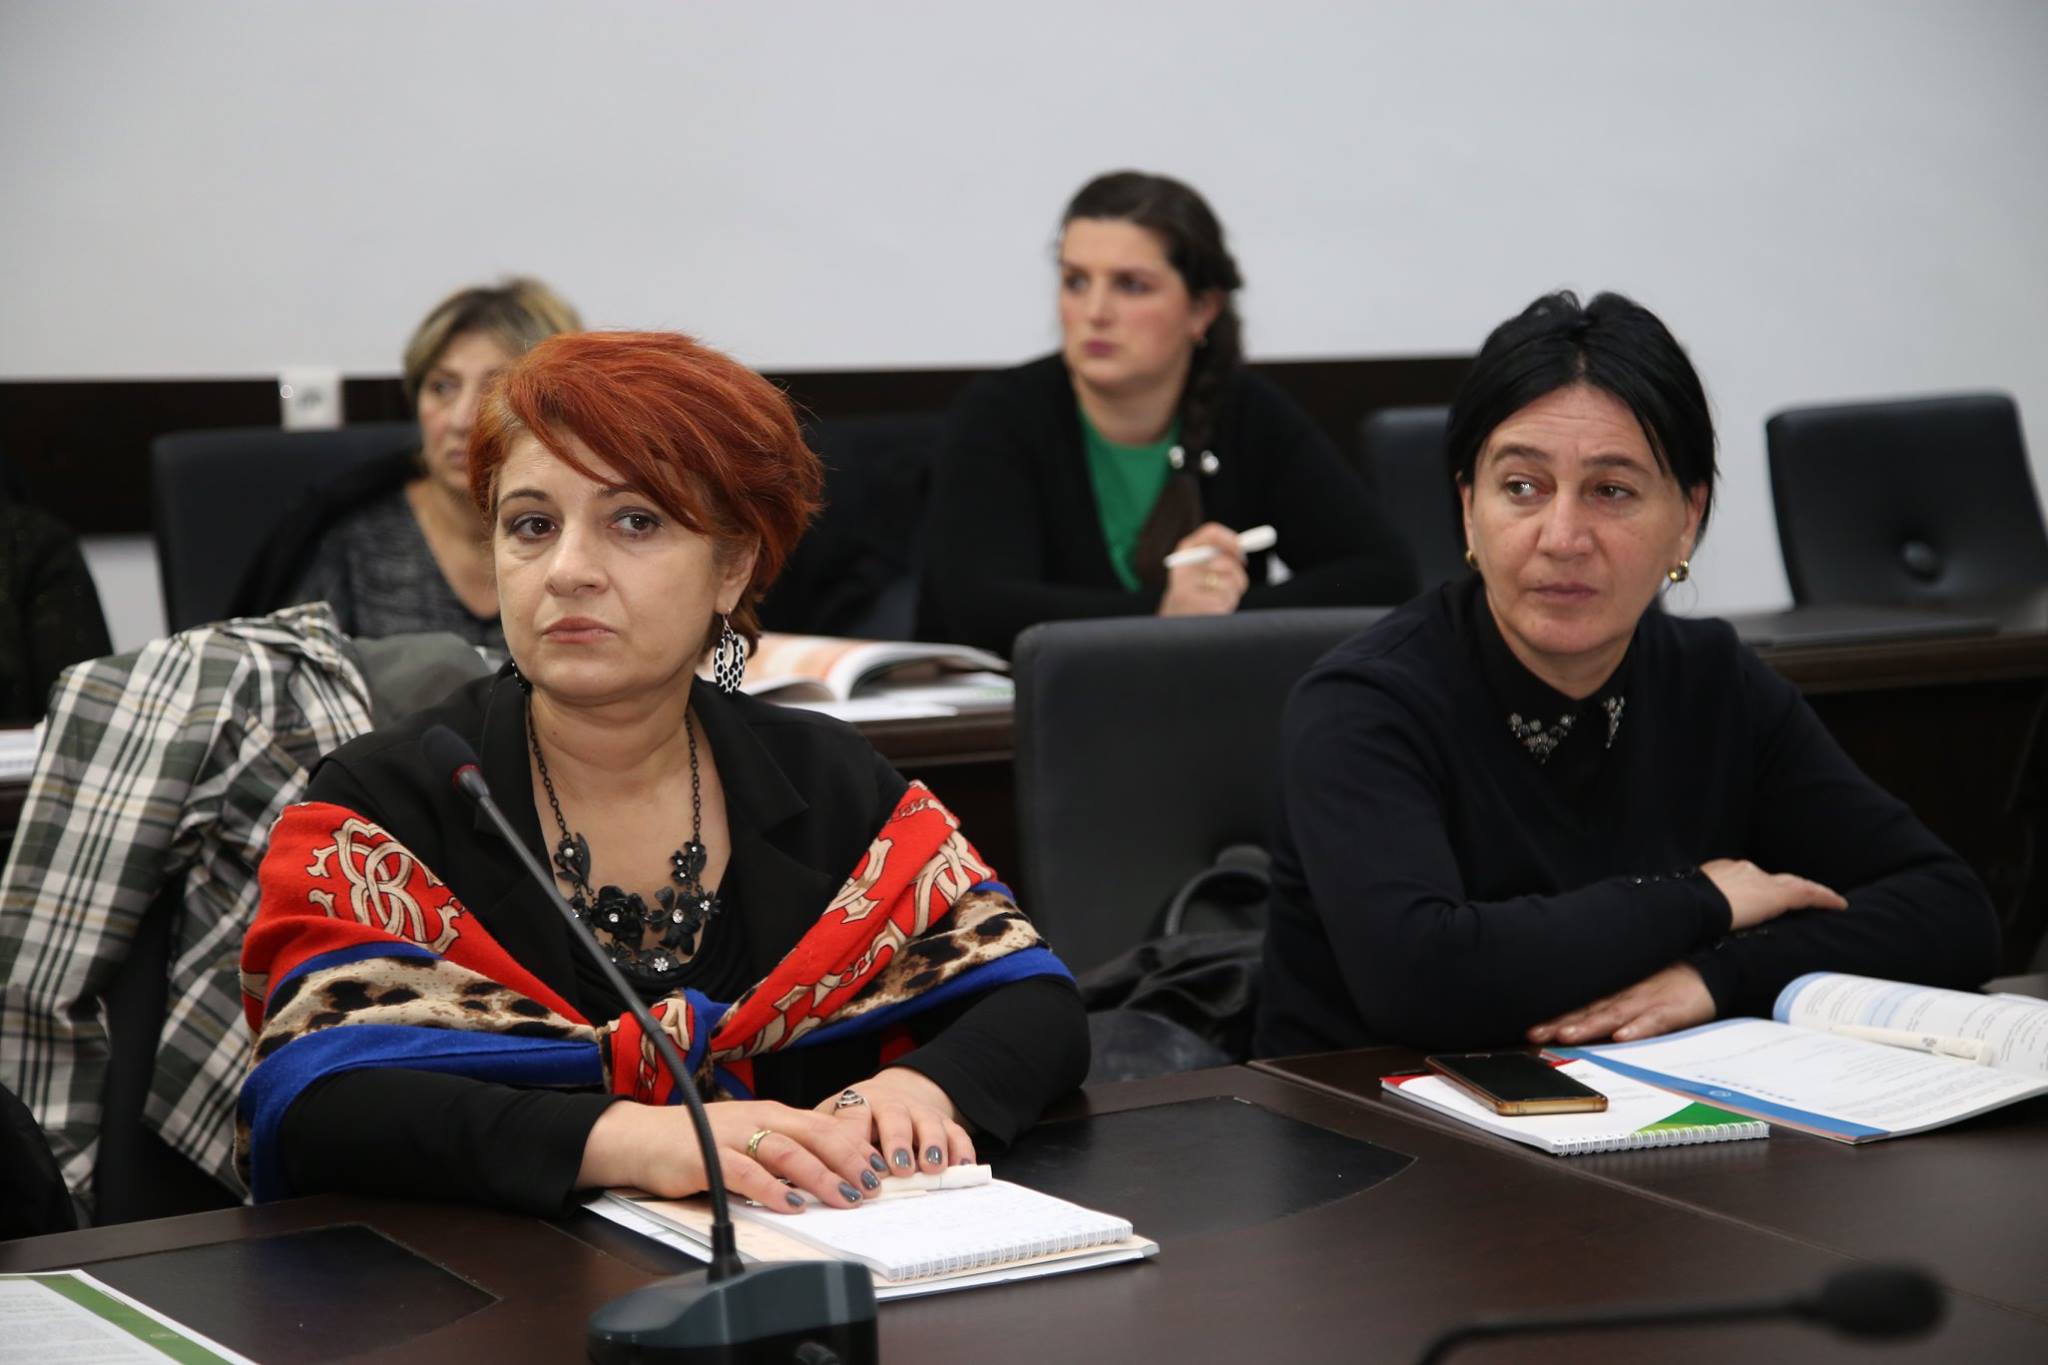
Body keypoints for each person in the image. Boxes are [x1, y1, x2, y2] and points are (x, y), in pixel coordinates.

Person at [237, 331, 1088, 1215]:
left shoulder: (826, 779)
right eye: (532, 525)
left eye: (635, 521)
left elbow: (1033, 1000)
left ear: (733, 566)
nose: (568, 570)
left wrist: (918, 1087)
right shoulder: (386, 803)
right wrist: (636, 1140)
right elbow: (312, 1102)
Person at [1255, 290, 2000, 1056]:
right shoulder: (1364, 704)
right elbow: (1420, 976)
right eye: (1522, 487)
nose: (1563, 536)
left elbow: (1951, 909)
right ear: (1468, 505)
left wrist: (1718, 975)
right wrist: (1702, 899)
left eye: (1611, 491)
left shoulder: (1712, 681)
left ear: (1687, 519)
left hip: (1633, 1107)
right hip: (1365, 1117)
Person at [918, 171, 1416, 655]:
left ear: (1202, 309)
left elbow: (1383, 575)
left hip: (1197, 699)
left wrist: (1217, 614)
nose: (1095, 312)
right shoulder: (1000, 413)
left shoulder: (1247, 412)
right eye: (1075, 281)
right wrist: (1165, 614)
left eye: (1131, 286)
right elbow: (980, 608)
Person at [234, 278, 582, 650]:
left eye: (494, 389)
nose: (461, 419)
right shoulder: (356, 541)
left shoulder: (584, 537)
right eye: (442, 387)